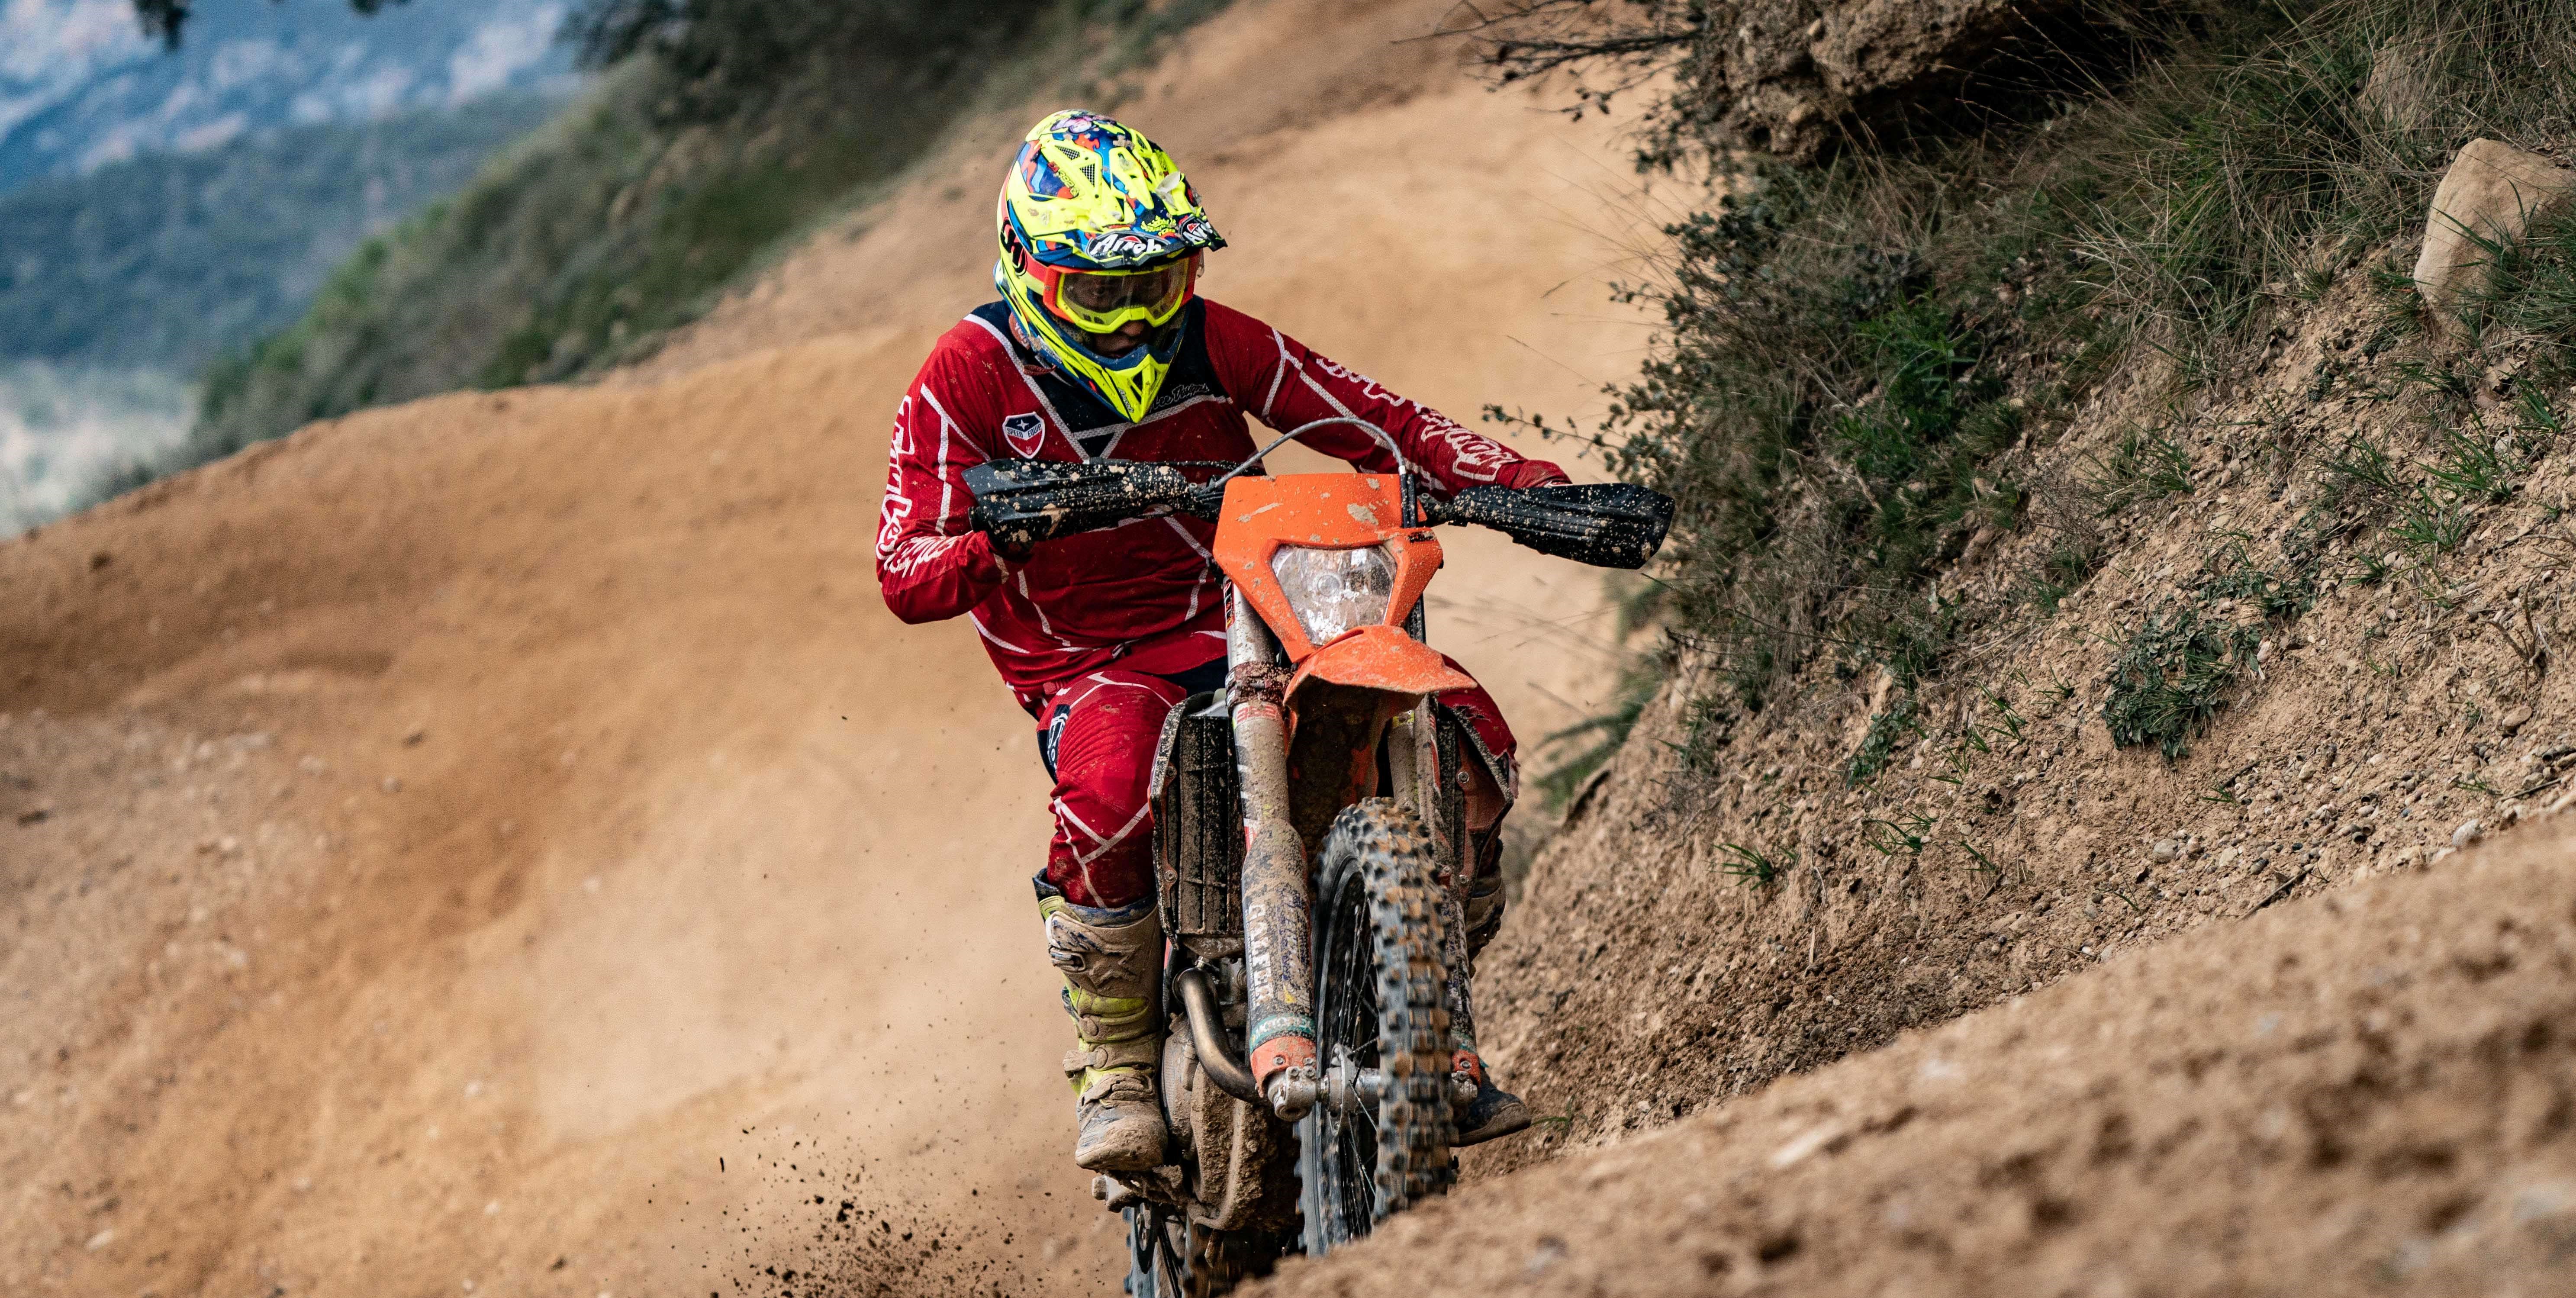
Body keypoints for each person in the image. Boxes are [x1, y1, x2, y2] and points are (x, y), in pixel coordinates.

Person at [876, 110, 1564, 1174]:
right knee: (1106, 795)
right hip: (1095, 659)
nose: (1132, 312)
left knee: (1466, 727)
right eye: (1101, 290)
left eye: (1156, 282)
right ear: (1030, 271)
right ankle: (1111, 1058)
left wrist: (1523, 486)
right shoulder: (964, 376)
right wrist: (1001, 534)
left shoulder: (1212, 337)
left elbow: (1375, 419)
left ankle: (1431, 1011)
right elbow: (903, 571)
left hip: (1251, 599)